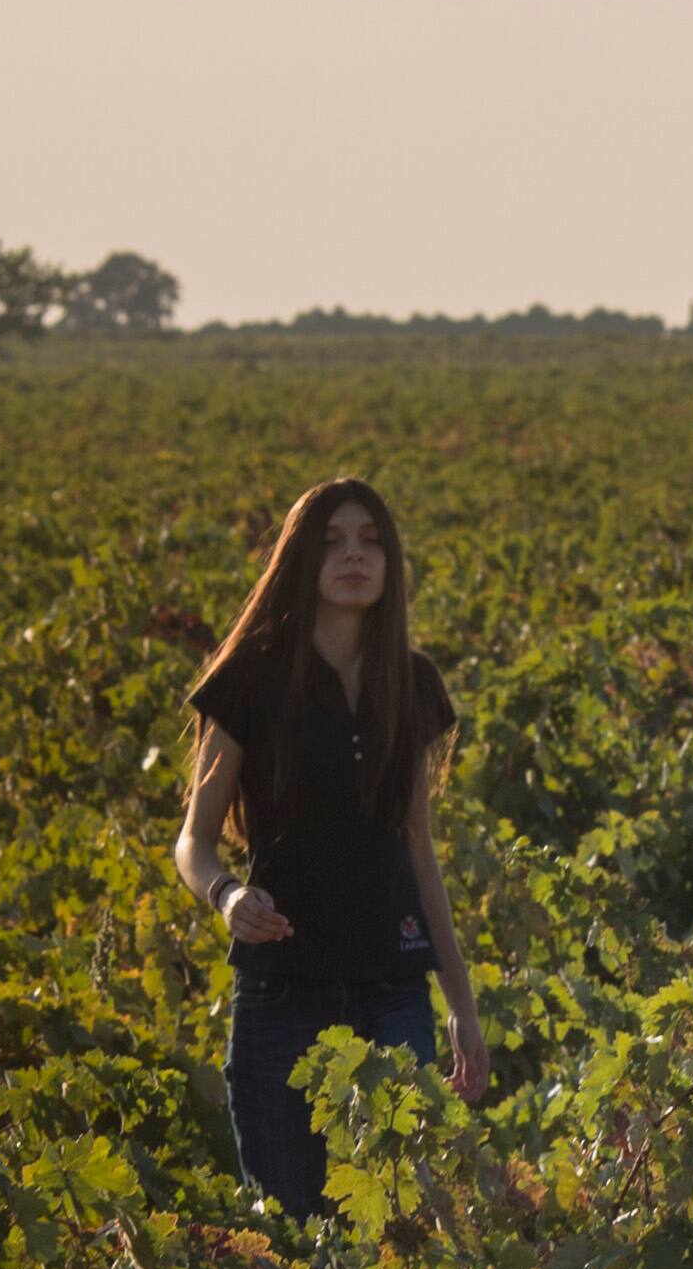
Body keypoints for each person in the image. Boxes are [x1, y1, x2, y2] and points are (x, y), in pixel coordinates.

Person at [171, 476, 488, 1209]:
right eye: (335, 540)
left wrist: (460, 1004)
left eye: (372, 541)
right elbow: (194, 841)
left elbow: (417, 846)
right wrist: (226, 895)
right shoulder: (250, 677)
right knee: (289, 1229)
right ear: (302, 558)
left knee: (399, 1224)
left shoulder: (410, 683)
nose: (355, 555)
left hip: (392, 992)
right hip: (281, 990)